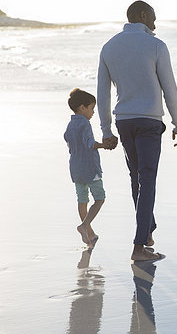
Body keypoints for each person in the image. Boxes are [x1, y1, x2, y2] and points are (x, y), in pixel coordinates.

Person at [97, 0, 177, 261]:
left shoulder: (109, 47)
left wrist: (105, 129)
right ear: (143, 15)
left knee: (137, 178)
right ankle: (139, 246)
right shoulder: (156, 46)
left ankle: (146, 233)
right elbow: (170, 88)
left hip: (124, 122)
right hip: (148, 122)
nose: (156, 24)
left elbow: (103, 92)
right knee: (147, 179)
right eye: (154, 18)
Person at [64, 88, 108, 247]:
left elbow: (68, 141)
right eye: (91, 108)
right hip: (89, 168)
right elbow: (90, 143)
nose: (93, 112)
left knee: (82, 200)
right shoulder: (85, 124)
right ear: (82, 108)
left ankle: (89, 234)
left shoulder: (70, 124)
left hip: (75, 168)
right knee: (99, 199)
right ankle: (84, 226)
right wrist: (104, 145)